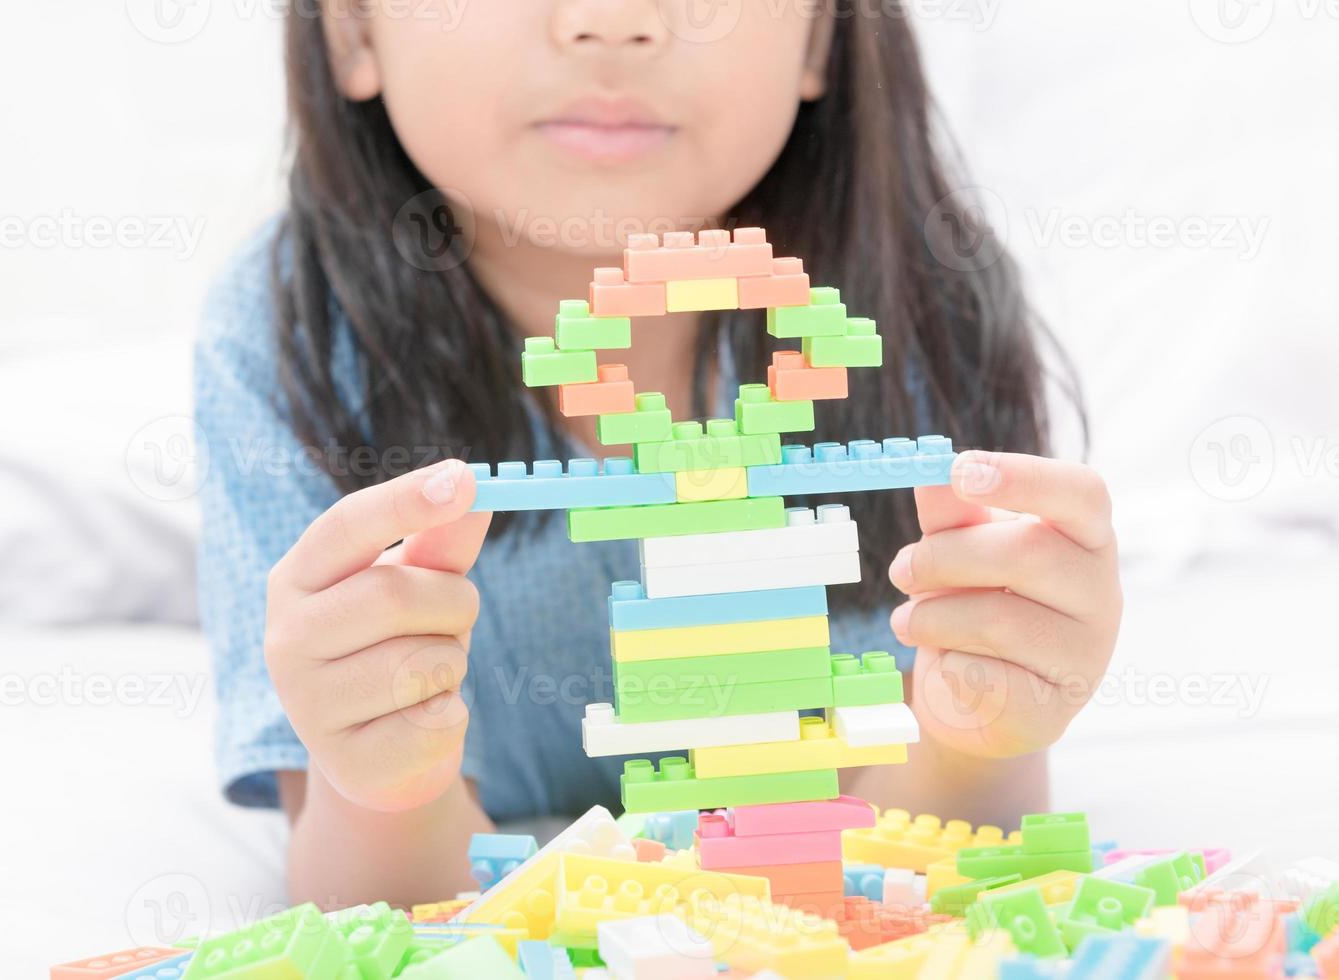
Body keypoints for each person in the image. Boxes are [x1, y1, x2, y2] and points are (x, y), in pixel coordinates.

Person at [196, 1, 1122, 908]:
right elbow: (376, 904)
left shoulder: (924, 296)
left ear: (818, 31)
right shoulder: (287, 335)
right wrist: (389, 790)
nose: (610, 21)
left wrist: (970, 740)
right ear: (354, 27)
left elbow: (927, 866)